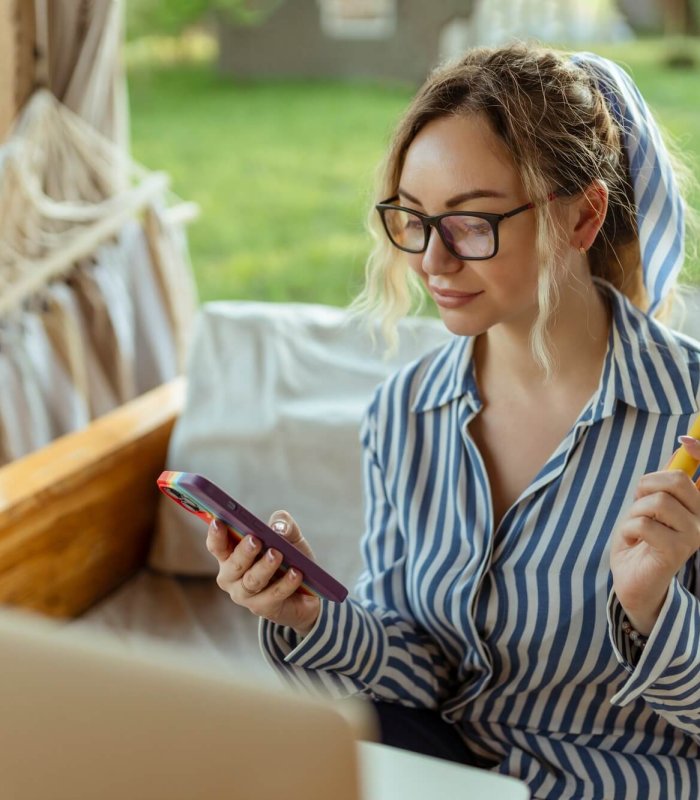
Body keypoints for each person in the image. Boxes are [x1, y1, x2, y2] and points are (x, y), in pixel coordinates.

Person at [206, 43, 700, 799]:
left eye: (470, 222)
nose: (431, 261)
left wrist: (654, 612)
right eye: (412, 218)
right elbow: (421, 671)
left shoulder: (687, 421)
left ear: (584, 215)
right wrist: (311, 616)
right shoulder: (403, 414)